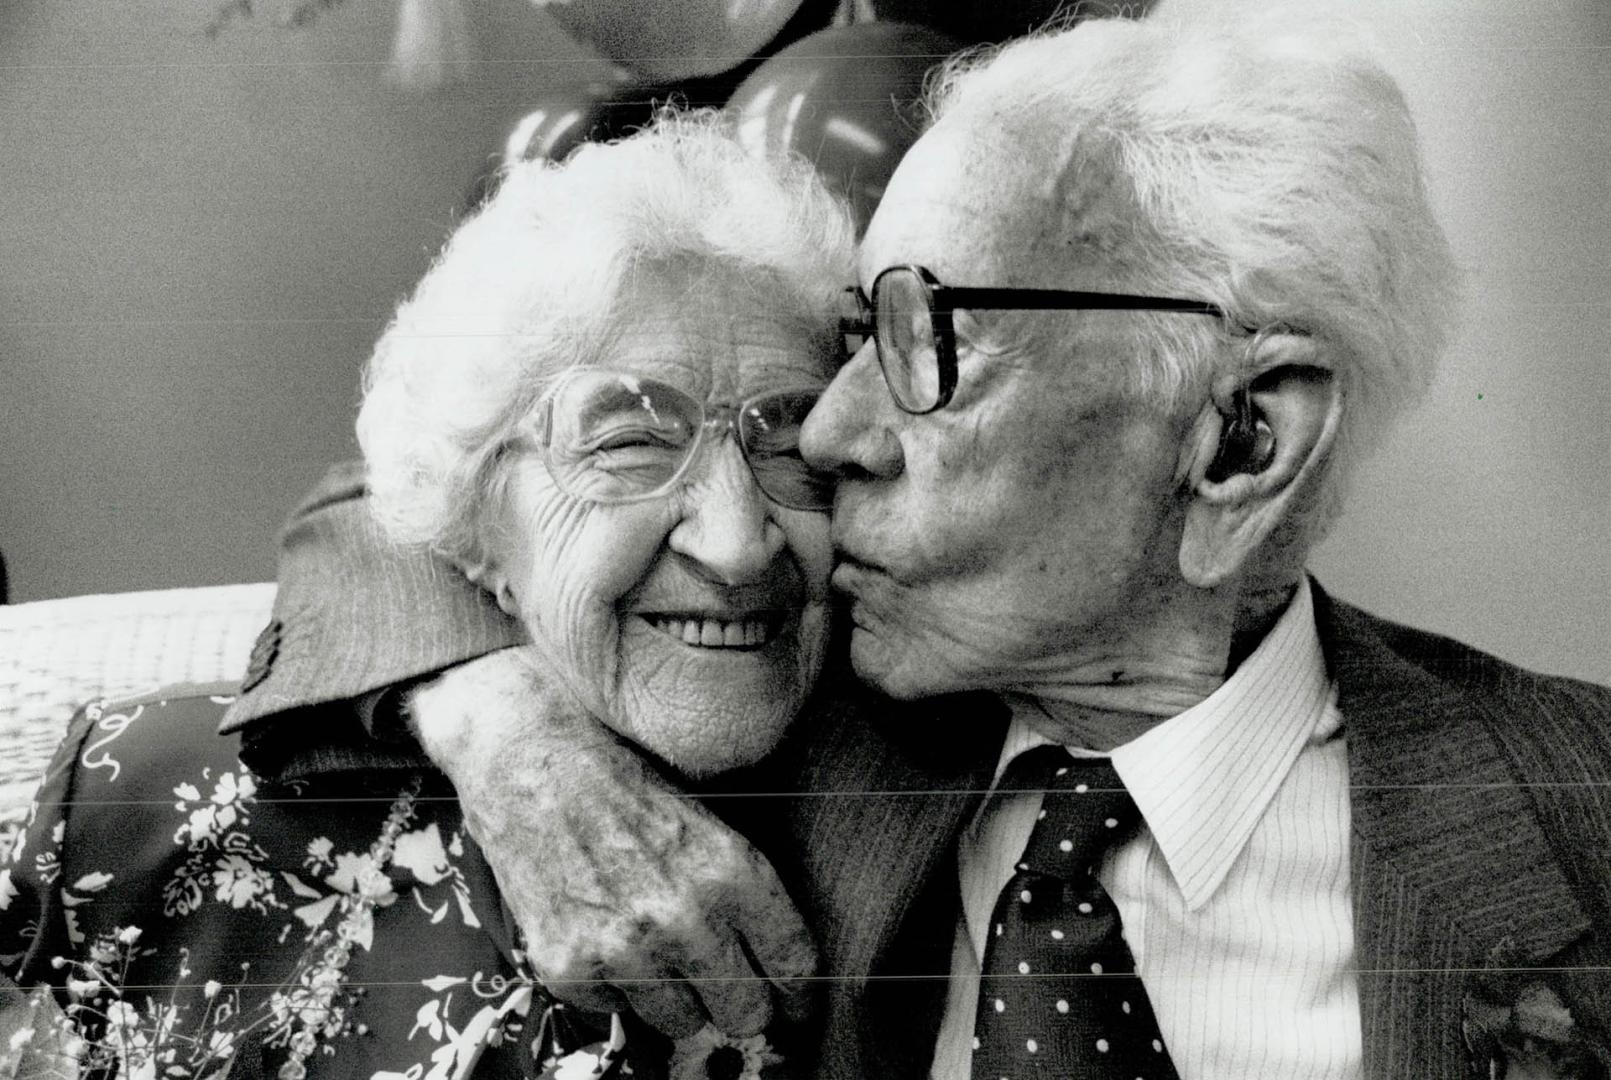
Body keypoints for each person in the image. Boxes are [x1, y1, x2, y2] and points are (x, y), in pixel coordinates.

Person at [150, 12, 1611, 1080]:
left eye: (929, 341)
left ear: (1236, 440)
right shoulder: (778, 685)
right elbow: (410, 493)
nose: (831, 436)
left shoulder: (1574, 811)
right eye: (853, 337)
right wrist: (511, 726)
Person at [0, 115, 873, 1080]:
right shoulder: (150, 802)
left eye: (786, 438)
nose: (738, 542)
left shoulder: (937, 788)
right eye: (629, 441)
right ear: (476, 524)